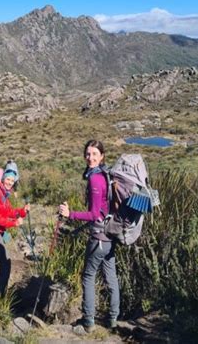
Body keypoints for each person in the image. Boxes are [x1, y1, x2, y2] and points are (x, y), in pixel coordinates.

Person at [59, 140, 119, 332]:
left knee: (88, 276)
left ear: (102, 156)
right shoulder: (105, 175)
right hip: (111, 235)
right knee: (111, 277)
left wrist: (70, 214)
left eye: (94, 154)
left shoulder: (95, 179)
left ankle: (88, 321)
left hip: (99, 237)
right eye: (87, 154)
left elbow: (94, 214)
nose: (90, 158)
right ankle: (113, 319)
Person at [0, 161, 30, 303]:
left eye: (12, 180)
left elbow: (8, 211)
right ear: (3, 179)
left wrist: (22, 212)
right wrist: (14, 223)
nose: (10, 182)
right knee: (5, 262)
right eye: (8, 179)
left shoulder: (3, 193)